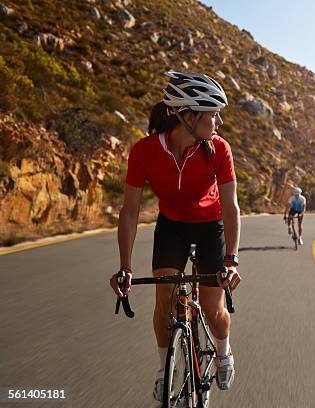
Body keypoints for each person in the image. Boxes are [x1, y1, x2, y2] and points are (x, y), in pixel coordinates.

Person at [109, 71, 241, 401]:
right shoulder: (144, 151)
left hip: (210, 226)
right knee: (165, 301)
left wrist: (231, 260)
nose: (218, 121)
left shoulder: (219, 150)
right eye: (212, 114)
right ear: (187, 115)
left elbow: (231, 207)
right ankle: (163, 370)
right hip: (172, 226)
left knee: (213, 310)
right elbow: (129, 212)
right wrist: (124, 267)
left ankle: (224, 353)